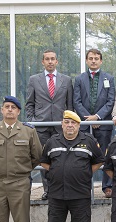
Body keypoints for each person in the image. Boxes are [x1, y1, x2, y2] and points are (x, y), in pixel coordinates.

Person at [38, 110, 104, 222]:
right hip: (56, 194)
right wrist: (55, 172)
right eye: (66, 122)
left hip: (80, 194)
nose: (69, 125)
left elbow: (98, 161)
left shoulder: (88, 141)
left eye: (73, 123)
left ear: (78, 125)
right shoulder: (53, 141)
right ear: (62, 124)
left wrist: (84, 173)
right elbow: (44, 161)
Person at [25, 49, 74, 200]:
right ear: (43, 62)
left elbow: (70, 105)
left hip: (61, 126)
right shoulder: (34, 80)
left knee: (63, 158)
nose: (50, 61)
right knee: (44, 158)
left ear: (57, 61)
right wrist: (32, 121)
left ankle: (63, 188)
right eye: (47, 59)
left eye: (53, 59)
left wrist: (69, 122)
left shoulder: (66, 80)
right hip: (41, 126)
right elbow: (29, 104)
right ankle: (48, 190)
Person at [74, 48, 116, 198]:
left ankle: (107, 186)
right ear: (86, 60)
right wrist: (89, 119)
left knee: (105, 154)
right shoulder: (79, 79)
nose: (93, 60)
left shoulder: (109, 78)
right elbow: (76, 101)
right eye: (90, 58)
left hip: (103, 123)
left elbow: (111, 101)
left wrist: (98, 117)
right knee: (84, 155)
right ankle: (84, 185)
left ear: (101, 61)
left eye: (96, 58)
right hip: (85, 124)